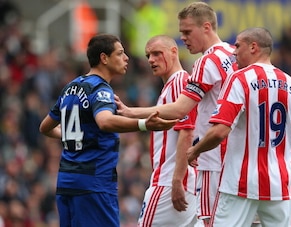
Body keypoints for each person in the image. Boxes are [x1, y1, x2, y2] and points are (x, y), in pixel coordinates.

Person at [115, 2, 237, 226]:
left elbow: (184, 118)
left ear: (207, 27)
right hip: (236, 161)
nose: (184, 38)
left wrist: (130, 112)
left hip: (208, 162)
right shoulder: (234, 55)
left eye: (188, 32)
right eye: (148, 55)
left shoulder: (197, 68)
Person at [39, 34, 178, 227]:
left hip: (66, 182)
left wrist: (74, 136)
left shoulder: (70, 87)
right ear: (104, 58)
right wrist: (144, 124)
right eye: (120, 53)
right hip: (94, 184)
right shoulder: (100, 89)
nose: (126, 58)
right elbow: (105, 122)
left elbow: (45, 127)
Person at [186, 27, 291, 227]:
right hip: (279, 186)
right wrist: (284, 174)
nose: (233, 52)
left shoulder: (239, 78)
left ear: (253, 47)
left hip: (239, 184)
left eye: (237, 45)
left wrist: (194, 150)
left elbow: (219, 131)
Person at [136, 35, 197, 226]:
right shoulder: (172, 85)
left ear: (173, 52)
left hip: (168, 181)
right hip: (184, 181)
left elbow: (186, 132)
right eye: (148, 56)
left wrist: (177, 180)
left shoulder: (179, 82)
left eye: (156, 53)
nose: (151, 60)